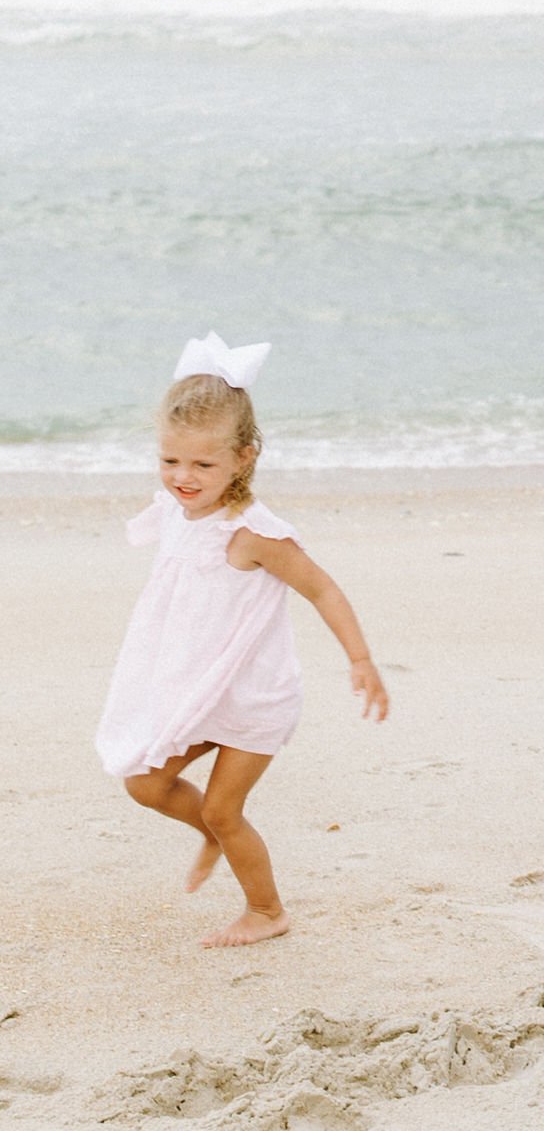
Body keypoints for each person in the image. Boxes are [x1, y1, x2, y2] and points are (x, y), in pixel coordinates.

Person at [100, 336, 389, 947]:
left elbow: (325, 590)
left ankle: (266, 910)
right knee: (145, 782)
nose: (183, 477)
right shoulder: (178, 512)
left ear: (244, 458)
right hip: (200, 687)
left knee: (225, 809)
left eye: (203, 466)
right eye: (171, 461)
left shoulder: (253, 535)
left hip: (254, 694)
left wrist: (360, 660)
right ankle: (209, 832)